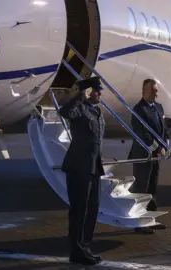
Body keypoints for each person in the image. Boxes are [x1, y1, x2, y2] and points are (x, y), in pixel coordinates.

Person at [59, 76, 105, 266]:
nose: (100, 93)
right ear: (88, 92)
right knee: (79, 210)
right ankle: (76, 251)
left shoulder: (97, 111)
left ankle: (85, 247)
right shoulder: (80, 108)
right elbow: (65, 111)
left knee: (92, 210)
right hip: (79, 167)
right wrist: (79, 96)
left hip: (94, 168)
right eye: (96, 90)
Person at [128, 78, 169, 234]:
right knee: (141, 189)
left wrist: (164, 146)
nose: (155, 92)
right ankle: (139, 222)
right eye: (152, 90)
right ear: (143, 91)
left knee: (152, 189)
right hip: (142, 155)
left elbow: (163, 130)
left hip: (156, 156)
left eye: (156, 90)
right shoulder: (139, 109)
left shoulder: (159, 108)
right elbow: (142, 134)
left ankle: (151, 219)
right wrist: (157, 148)